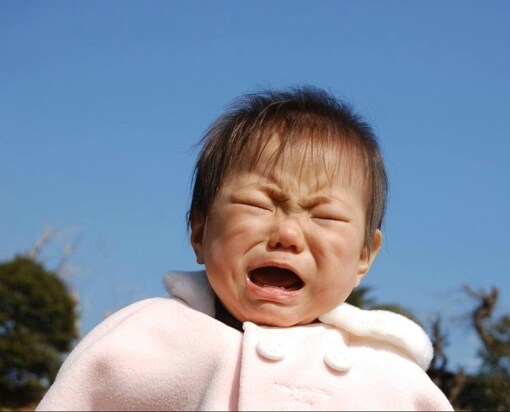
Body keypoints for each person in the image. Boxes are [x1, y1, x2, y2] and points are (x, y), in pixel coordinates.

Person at [37, 87, 453, 411]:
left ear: (364, 256)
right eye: (258, 204)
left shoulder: (389, 378)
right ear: (200, 231)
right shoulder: (142, 341)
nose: (287, 234)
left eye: (324, 215)